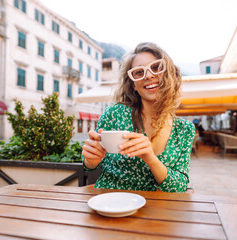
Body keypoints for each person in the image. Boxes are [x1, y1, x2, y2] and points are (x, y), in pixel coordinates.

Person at [82, 42, 195, 192]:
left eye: (156, 67)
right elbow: (91, 165)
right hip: (110, 204)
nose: (148, 75)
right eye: (139, 72)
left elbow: (179, 187)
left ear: (169, 74)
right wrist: (91, 160)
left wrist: (150, 159)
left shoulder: (184, 129)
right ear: (134, 85)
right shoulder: (114, 114)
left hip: (159, 209)